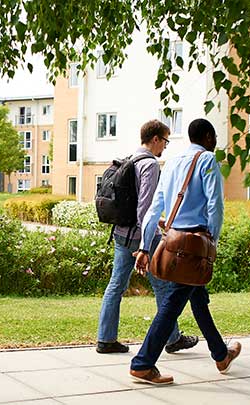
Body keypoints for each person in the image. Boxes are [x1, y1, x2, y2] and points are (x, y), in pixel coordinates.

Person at [129, 118, 241, 385]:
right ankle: (143, 364)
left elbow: (155, 209)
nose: (215, 143)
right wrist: (212, 242)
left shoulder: (172, 163)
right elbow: (215, 206)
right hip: (195, 244)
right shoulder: (207, 161)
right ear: (207, 137)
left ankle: (221, 354)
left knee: (198, 298)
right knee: (172, 305)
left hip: (172, 240)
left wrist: (146, 245)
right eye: (213, 137)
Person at [96, 119, 199, 354]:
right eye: (165, 141)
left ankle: (105, 338)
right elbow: (145, 207)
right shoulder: (150, 165)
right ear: (155, 139)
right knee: (163, 285)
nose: (165, 146)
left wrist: (158, 221)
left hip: (122, 232)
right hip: (141, 237)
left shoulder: (131, 158)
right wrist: (149, 239)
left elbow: (136, 207)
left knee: (116, 285)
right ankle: (172, 339)